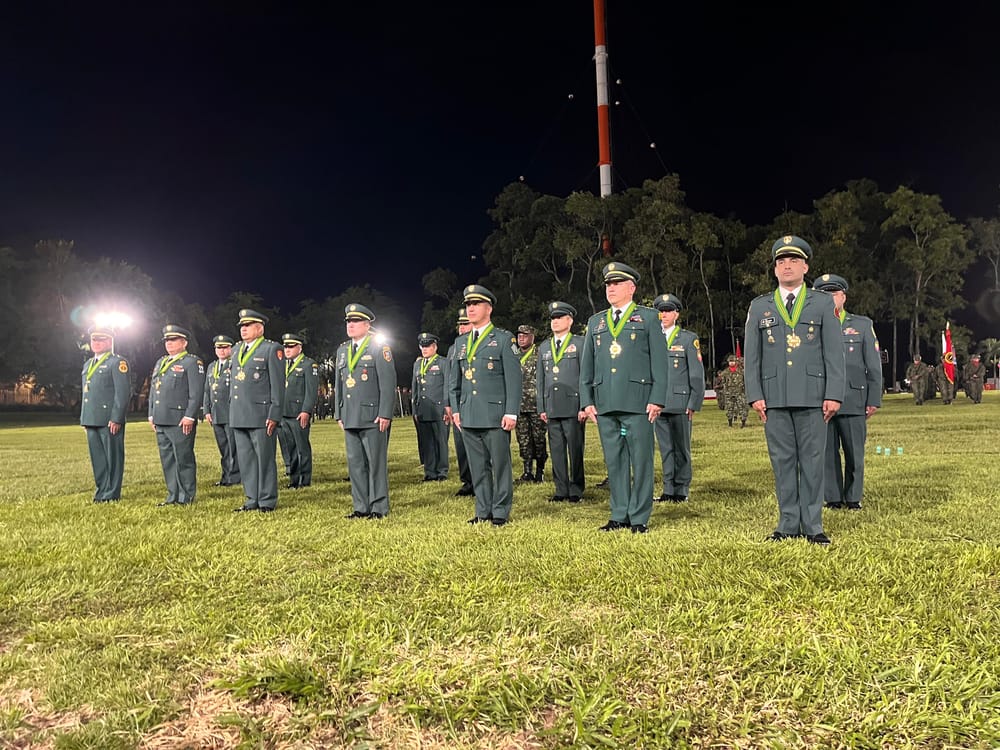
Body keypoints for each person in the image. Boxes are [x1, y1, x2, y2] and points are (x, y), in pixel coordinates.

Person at [744, 235, 845, 545]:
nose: (786, 266)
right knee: (782, 461)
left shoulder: (822, 302)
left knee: (814, 461)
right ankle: (787, 523)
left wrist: (834, 393)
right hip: (774, 398)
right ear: (775, 270)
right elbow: (753, 356)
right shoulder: (759, 305)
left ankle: (813, 525)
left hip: (814, 396)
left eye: (793, 261)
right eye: (780, 261)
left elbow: (833, 353)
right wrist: (755, 394)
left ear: (805, 266)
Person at [579, 262, 667, 534]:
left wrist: (657, 398)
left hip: (638, 401)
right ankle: (619, 513)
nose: (611, 288)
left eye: (617, 284)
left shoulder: (649, 318)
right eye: (608, 284)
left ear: (632, 288)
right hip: (605, 401)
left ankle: (639, 517)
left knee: (641, 460)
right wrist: (587, 399)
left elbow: (660, 363)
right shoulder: (595, 322)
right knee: (614, 461)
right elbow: (588, 366)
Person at [449, 285, 522, 526]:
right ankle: (483, 510)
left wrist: (511, 411)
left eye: (475, 304)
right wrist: (456, 410)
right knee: (477, 467)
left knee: (500, 466)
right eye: (468, 304)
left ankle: (500, 511)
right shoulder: (460, 343)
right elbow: (455, 383)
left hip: (495, 413)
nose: (470, 308)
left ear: (488, 308)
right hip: (468, 413)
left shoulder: (503, 339)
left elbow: (514, 380)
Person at [812, 274, 881, 511]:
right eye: (824, 295)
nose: (830, 298)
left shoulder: (861, 325)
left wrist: (873, 399)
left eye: (834, 294)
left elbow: (873, 365)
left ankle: (853, 497)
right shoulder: (810, 326)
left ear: (843, 297)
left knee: (854, 452)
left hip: (853, 400)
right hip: (820, 399)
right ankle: (832, 497)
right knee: (827, 453)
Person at [334, 304, 396, 519]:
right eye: (348, 321)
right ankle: (360, 506)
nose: (350, 325)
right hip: (350, 414)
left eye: (355, 321)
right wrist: (338, 412)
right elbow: (339, 385)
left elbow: (388, 384)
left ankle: (379, 506)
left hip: (372, 415)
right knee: (356, 465)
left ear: (367, 324)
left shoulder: (380, 348)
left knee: (376, 463)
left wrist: (385, 413)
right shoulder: (342, 350)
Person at [230, 308, 286, 513]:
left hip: (262, 415)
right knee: (246, 460)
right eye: (242, 326)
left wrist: (274, 413)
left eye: (248, 326)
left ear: (259, 328)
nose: (243, 330)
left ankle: (267, 500)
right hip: (239, 414)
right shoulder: (236, 350)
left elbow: (278, 386)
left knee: (264, 459)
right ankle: (251, 498)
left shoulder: (271, 349)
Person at [652, 293, 705, 504]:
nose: (663, 315)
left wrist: (694, 402)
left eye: (667, 311)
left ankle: (681, 489)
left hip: (681, 403)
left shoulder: (688, 339)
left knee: (682, 448)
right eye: (660, 311)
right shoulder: (652, 338)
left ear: (677, 313)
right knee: (665, 448)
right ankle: (668, 489)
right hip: (658, 403)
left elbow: (696, 374)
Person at [148, 325, 205, 506]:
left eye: (173, 340)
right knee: (168, 459)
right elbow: (153, 390)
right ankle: (173, 494)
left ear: (184, 342)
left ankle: (186, 495)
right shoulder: (161, 362)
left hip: (180, 419)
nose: (169, 344)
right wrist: (151, 413)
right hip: (161, 418)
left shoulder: (191, 362)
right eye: (167, 341)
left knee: (183, 458)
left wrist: (190, 415)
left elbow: (196, 393)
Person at [536, 301, 586, 502]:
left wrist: (584, 405)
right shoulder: (544, 347)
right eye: (553, 319)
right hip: (553, 406)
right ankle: (561, 489)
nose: (555, 322)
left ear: (570, 320)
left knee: (575, 450)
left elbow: (585, 376)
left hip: (573, 407)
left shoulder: (580, 344)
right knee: (556, 450)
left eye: (559, 318)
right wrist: (541, 406)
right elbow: (540, 380)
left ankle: (576, 489)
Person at [80, 324, 131, 503]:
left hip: (108, 419)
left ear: (110, 341)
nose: (96, 343)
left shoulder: (117, 362)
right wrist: (84, 419)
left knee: (113, 458)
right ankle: (101, 490)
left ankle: (112, 493)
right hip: (92, 418)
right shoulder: (88, 364)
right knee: (98, 459)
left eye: (101, 339)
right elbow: (86, 393)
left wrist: (116, 417)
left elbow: (123, 393)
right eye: (94, 339)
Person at [276, 333, 318, 489]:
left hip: (298, 413)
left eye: (291, 346)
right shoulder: (281, 365)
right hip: (284, 412)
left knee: (302, 448)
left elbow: (311, 391)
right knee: (290, 448)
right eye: (285, 346)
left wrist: (306, 410)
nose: (287, 349)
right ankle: (294, 479)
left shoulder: (309, 365)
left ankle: (305, 479)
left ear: (299, 347)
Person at [204, 334, 241, 486]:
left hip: (231, 412)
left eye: (225, 347)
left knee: (234, 448)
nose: (221, 350)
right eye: (218, 348)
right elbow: (207, 390)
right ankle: (226, 476)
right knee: (223, 448)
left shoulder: (235, 365)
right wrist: (206, 410)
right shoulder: (212, 366)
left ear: (230, 348)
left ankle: (235, 477)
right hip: (216, 413)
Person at [412, 332, 450, 481]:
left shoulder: (443, 363)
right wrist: (415, 409)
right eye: (422, 346)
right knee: (427, 443)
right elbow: (415, 388)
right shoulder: (417, 364)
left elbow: (447, 386)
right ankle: (430, 472)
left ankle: (442, 471)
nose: (424, 349)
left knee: (440, 441)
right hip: (423, 409)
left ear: (434, 347)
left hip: (439, 409)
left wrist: (448, 407)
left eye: (427, 346)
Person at [446, 307, 475, 496]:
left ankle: (482, 480)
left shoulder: (483, 343)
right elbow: (450, 378)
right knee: (461, 445)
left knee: (479, 445)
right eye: (460, 325)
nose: (462, 328)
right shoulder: (454, 347)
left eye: (466, 324)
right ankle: (467, 482)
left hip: (476, 401)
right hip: (459, 403)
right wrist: (448, 403)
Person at [514, 324, 547, 483]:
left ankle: (540, 471)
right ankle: (527, 472)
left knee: (539, 439)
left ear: (532, 337)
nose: (521, 338)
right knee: (523, 440)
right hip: (519, 405)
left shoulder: (539, 353)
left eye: (525, 335)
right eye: (519, 335)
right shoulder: (513, 354)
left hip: (536, 405)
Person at [720, 355, 748, 427]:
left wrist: (744, 390)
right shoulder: (725, 372)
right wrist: (725, 391)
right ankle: (730, 423)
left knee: (742, 407)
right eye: (730, 361)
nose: (731, 363)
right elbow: (723, 382)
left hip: (740, 392)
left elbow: (745, 381)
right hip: (729, 393)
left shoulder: (741, 371)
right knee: (729, 408)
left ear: (736, 362)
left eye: (733, 361)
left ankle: (743, 423)